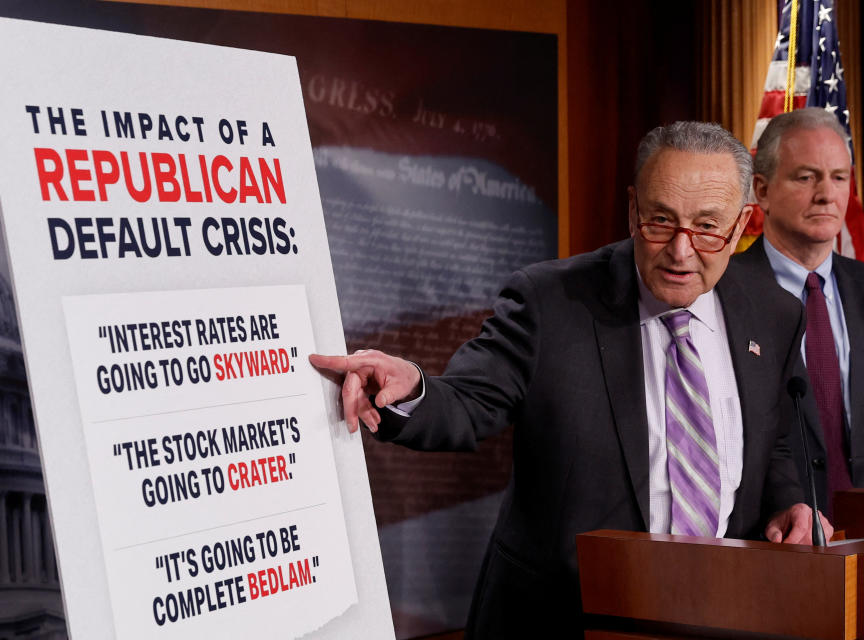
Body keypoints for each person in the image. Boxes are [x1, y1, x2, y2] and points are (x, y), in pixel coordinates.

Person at [311, 121, 831, 638]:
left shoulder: (773, 314)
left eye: (707, 226)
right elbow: (472, 400)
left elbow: (776, 440)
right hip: (559, 618)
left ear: (741, 224)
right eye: (660, 221)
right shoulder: (550, 302)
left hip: (715, 614)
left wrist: (790, 504)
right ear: (632, 210)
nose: (680, 249)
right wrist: (414, 389)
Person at [735, 107, 864, 517]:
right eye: (806, 177)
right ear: (762, 190)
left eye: (839, 177)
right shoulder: (723, 293)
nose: (827, 194)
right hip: (774, 543)